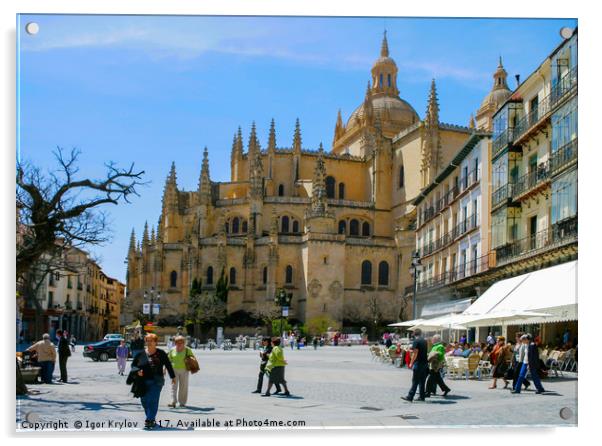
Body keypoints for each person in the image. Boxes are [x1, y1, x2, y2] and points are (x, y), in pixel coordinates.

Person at [131, 333, 176, 429]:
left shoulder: (161, 353)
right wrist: (138, 371)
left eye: (151, 341)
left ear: (156, 342)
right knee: (144, 401)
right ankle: (151, 419)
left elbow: (168, 365)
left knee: (153, 400)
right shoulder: (141, 354)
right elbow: (134, 366)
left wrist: (173, 377)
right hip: (143, 381)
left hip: (157, 381)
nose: (149, 342)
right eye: (147, 340)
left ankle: (149, 420)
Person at [401, 328, 429, 403]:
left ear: (414, 333)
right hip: (425, 363)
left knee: (415, 380)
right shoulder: (424, 341)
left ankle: (410, 396)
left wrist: (411, 362)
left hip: (418, 363)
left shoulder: (416, 341)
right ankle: (422, 396)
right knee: (422, 381)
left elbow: (415, 353)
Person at [168, 335, 196, 408]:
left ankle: (182, 402)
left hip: (184, 370)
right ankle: (173, 401)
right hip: (174, 370)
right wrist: (165, 369)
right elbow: (168, 360)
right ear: (175, 343)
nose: (179, 344)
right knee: (173, 386)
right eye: (177, 342)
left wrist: (190, 359)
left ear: (184, 342)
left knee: (183, 386)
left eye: (181, 342)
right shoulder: (172, 350)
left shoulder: (187, 349)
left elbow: (192, 357)